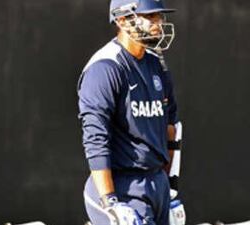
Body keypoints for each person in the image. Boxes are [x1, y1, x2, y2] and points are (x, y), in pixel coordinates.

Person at [77, 0, 185, 224]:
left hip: (158, 185)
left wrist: (171, 189)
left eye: (159, 16)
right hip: (124, 186)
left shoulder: (157, 65)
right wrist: (110, 202)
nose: (159, 23)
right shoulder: (105, 68)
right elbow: (96, 140)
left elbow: (171, 130)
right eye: (150, 17)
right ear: (123, 20)